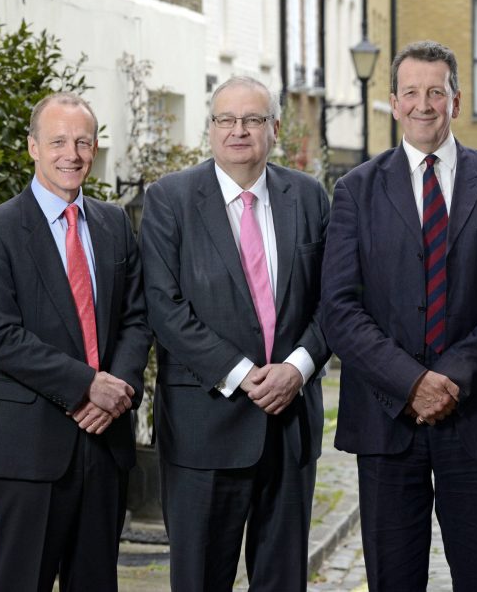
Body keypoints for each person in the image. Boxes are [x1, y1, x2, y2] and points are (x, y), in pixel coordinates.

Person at [320, 40, 477, 591]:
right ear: (393, 102)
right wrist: (412, 383)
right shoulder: (355, 190)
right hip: (386, 418)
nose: (423, 104)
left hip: (476, 412)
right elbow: (340, 308)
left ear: (455, 101)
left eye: (435, 92)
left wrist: (451, 380)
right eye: (411, 92)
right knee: (393, 578)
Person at [140, 76, 331, 592]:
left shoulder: (309, 198)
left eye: (252, 120)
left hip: (290, 426)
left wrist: (298, 367)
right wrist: (244, 374)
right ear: (211, 129)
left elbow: (334, 301)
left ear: (274, 129)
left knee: (283, 580)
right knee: (201, 579)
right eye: (226, 119)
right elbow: (164, 306)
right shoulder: (170, 199)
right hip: (205, 425)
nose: (238, 131)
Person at [0, 92, 151, 591]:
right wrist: (89, 385)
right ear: (32, 147)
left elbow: (137, 319)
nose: (72, 153)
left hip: (105, 443)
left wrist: (117, 393)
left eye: (83, 142)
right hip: (29, 450)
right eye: (59, 141)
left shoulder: (113, 225)